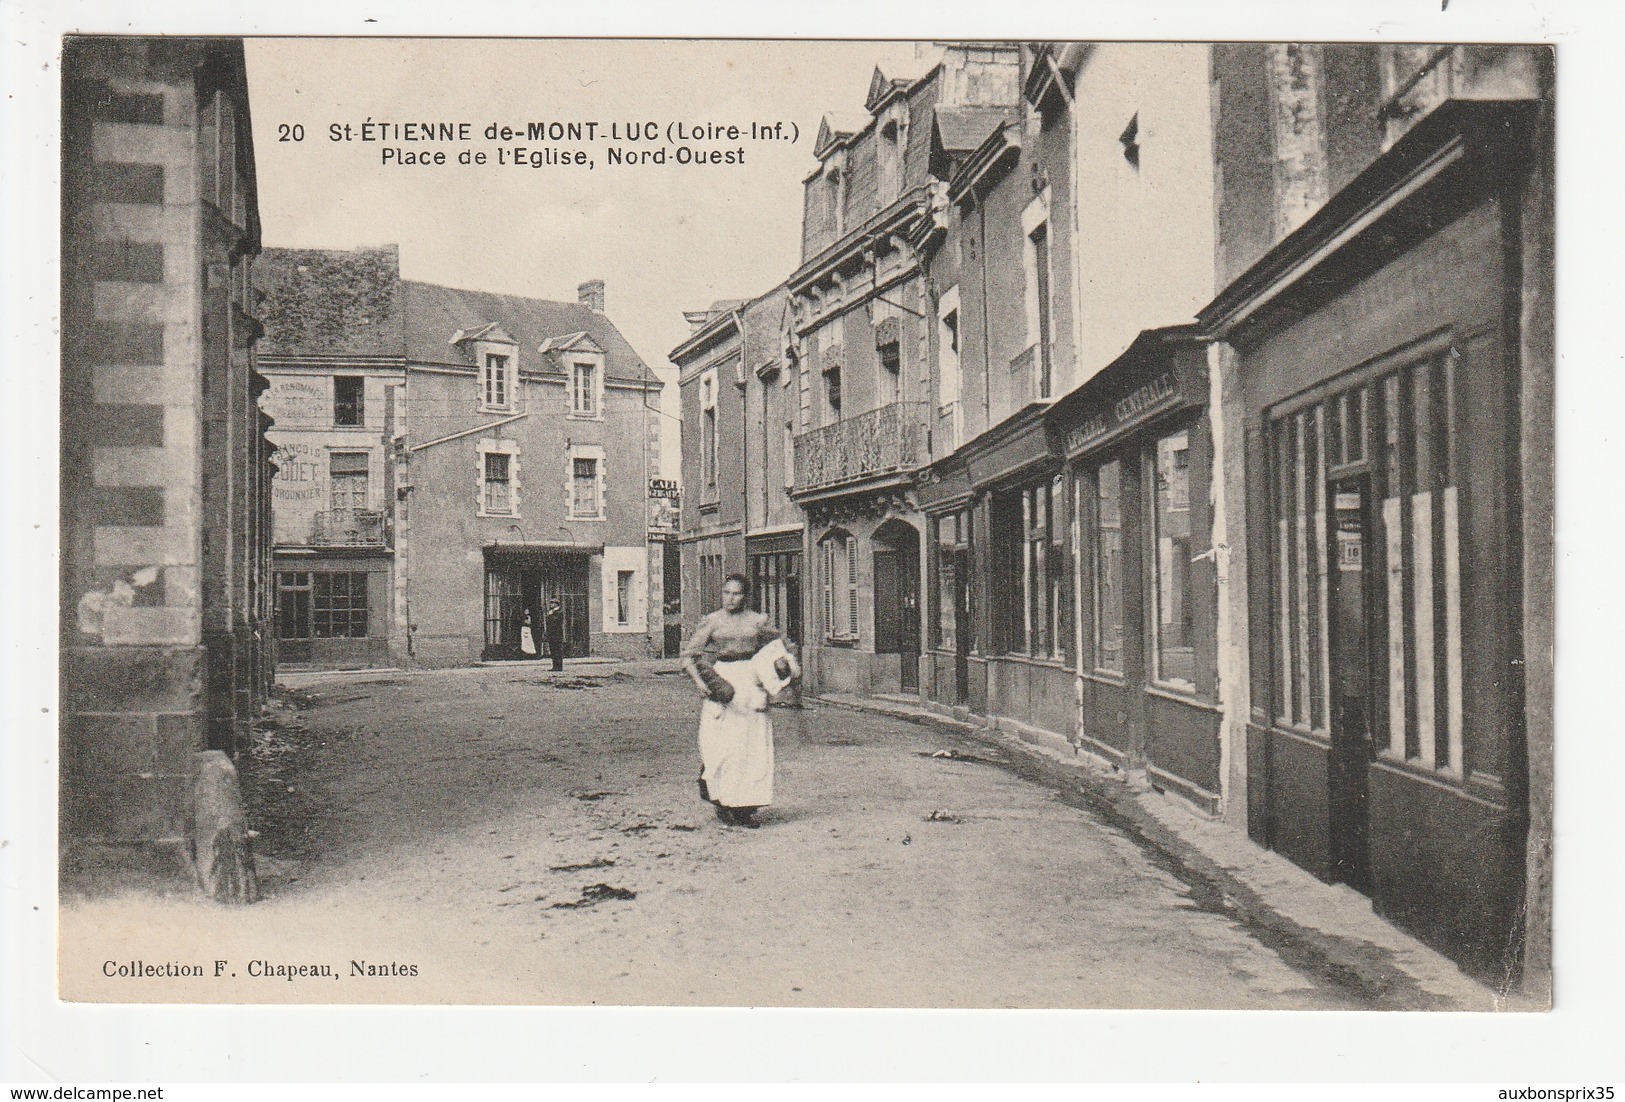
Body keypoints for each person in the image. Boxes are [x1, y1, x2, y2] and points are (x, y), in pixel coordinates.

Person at [681, 574, 798, 828]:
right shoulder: (712, 621)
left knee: (750, 747)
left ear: (746, 596)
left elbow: (783, 648)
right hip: (723, 684)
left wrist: (782, 666)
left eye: (736, 593)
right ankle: (722, 801)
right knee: (721, 746)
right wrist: (701, 683)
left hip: (751, 683)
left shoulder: (759, 621)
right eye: (726, 593)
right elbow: (689, 655)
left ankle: (745, 808)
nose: (730, 598)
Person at [543, 597, 566, 672]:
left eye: (552, 603)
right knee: (553, 650)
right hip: (552, 634)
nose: (551, 605)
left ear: (556, 604)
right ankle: (555, 666)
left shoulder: (559, 612)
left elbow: (554, 622)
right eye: (551, 603)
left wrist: (550, 615)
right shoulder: (552, 612)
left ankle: (559, 666)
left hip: (557, 634)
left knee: (557, 650)